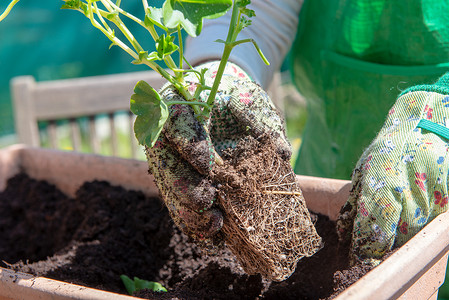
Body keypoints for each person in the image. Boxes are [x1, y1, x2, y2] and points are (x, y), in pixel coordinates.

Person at [147, 0, 449, 269]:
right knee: (316, 263)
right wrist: (218, 75)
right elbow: (260, 10)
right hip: (325, 170)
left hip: (436, 154)